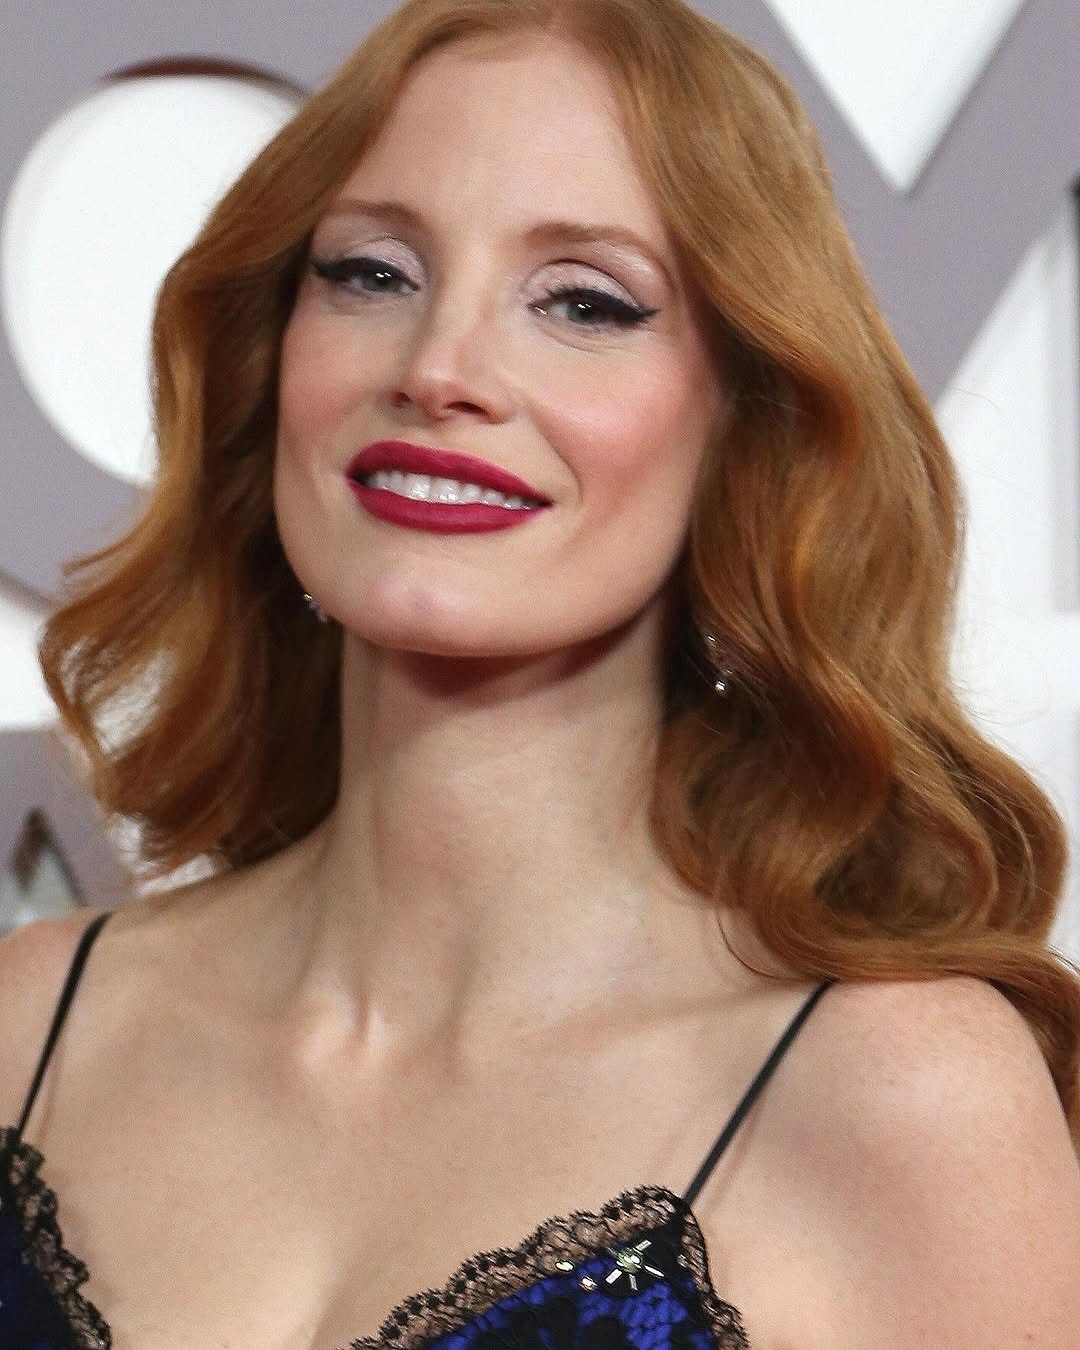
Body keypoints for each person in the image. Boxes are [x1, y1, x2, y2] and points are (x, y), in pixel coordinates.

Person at [2, 0, 1079, 1345]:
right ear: (273, 361)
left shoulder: (899, 1098)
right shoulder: (30, 1023)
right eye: (373, 274)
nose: (440, 368)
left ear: (746, 424)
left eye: (585, 301)